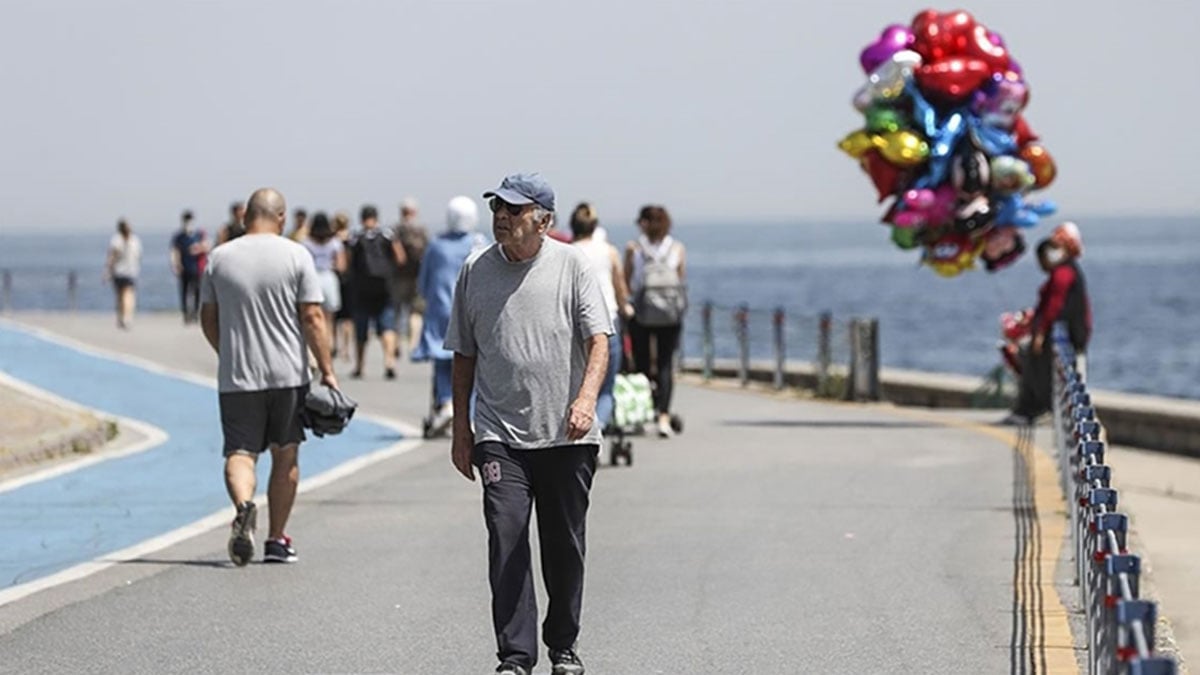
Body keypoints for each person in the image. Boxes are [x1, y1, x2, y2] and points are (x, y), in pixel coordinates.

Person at [447, 173, 611, 675]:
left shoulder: (573, 265)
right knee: (507, 535)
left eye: (514, 210)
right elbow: (463, 356)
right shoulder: (476, 270)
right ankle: (516, 657)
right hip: (500, 436)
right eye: (498, 206)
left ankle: (563, 644)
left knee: (563, 544)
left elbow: (600, 340)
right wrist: (462, 430)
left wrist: (586, 400)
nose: (502, 216)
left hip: (567, 433)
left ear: (543, 221)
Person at [199, 187, 337, 566]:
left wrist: (226, 354)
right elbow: (312, 317)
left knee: (240, 453)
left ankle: (244, 505)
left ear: (245, 217)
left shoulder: (219, 258)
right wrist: (326, 369)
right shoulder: (296, 255)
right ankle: (277, 539)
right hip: (288, 374)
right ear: (282, 217)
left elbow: (208, 318)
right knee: (285, 454)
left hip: (238, 376)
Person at [412, 196, 486, 437]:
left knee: (442, 361)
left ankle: (445, 403)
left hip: (440, 310)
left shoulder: (436, 245)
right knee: (471, 363)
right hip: (471, 312)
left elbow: (424, 282)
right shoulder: (479, 243)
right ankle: (471, 413)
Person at [1004, 222, 1092, 425]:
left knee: (1039, 368)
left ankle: (1037, 407)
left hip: (1065, 334)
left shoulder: (1063, 274)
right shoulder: (1063, 271)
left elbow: (1054, 306)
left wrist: (1041, 333)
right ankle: (1030, 407)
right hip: (1058, 331)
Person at [623, 205, 688, 438]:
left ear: (644, 223)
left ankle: (646, 410)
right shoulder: (677, 248)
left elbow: (627, 281)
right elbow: (680, 280)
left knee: (641, 363)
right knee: (665, 364)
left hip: (641, 313)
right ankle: (664, 416)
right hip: (670, 316)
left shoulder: (635, 248)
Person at [570, 203, 630, 431]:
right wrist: (626, 308)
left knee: (578, 383)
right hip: (608, 320)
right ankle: (599, 427)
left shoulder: (568, 252)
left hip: (575, 323)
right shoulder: (609, 251)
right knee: (605, 386)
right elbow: (620, 288)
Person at [348, 204, 400, 379]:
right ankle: (389, 362)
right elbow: (400, 257)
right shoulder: (387, 234)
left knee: (361, 330)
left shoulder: (355, 237)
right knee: (387, 327)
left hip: (361, 289)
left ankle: (359, 366)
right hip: (384, 288)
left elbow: (347, 262)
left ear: (362, 218)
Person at [301, 212, 347, 350]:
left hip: (312, 277)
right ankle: (329, 344)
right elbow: (341, 265)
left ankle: (314, 345)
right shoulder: (334, 242)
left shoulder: (306, 242)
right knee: (329, 317)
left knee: (313, 315)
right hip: (328, 277)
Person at [390, 197, 430, 356]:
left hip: (398, 275)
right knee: (416, 312)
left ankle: (397, 342)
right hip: (417, 275)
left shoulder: (396, 229)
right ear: (415, 212)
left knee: (398, 310)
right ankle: (414, 344)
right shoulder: (422, 228)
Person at [170, 209, 210, 324]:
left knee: (197, 291)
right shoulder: (179, 236)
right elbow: (175, 251)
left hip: (197, 268)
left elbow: (207, 246)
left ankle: (196, 312)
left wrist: (198, 248)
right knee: (184, 291)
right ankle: (186, 313)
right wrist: (176, 264)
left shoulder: (199, 234)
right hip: (184, 268)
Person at [103, 219, 143, 329]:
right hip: (129, 272)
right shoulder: (134, 240)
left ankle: (122, 317)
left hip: (120, 272)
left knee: (122, 296)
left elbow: (111, 257)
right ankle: (126, 317)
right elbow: (139, 256)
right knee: (127, 295)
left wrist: (107, 271)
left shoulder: (116, 240)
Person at [332, 211, 356, 361]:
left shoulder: (331, 240)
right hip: (350, 279)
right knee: (348, 319)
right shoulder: (352, 239)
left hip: (335, 279)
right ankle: (346, 348)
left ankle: (334, 344)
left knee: (333, 316)